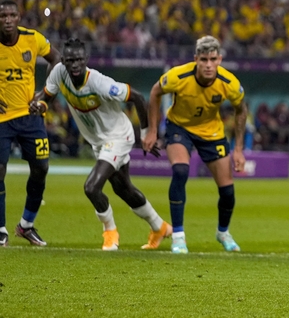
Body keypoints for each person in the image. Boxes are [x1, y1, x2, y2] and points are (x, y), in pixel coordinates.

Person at [30, 38, 172, 250]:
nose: (74, 64)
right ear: (64, 61)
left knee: (91, 187)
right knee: (123, 189)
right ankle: (159, 227)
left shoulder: (100, 83)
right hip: (99, 141)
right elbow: (47, 97)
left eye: (79, 59)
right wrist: (39, 104)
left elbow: (139, 98)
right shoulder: (59, 72)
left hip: (117, 137)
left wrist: (146, 134)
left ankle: (110, 232)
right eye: (70, 60)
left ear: (86, 59)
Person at [142, 36, 247, 254]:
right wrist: (152, 130)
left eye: (212, 59)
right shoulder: (178, 76)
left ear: (219, 59)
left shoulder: (229, 84)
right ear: (195, 59)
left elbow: (241, 110)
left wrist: (238, 149)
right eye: (203, 60)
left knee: (227, 191)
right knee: (180, 171)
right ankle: (178, 236)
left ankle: (223, 232)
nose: (208, 65)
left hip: (212, 132)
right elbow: (155, 92)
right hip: (179, 128)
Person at [0, 0, 61, 247]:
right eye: (3, 16)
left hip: (30, 115)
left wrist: (46, 93)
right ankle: (1, 229)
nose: (7, 20)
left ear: (18, 17)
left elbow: (56, 59)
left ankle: (26, 225)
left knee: (41, 168)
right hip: (2, 119)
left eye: (11, 15)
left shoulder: (32, 38)